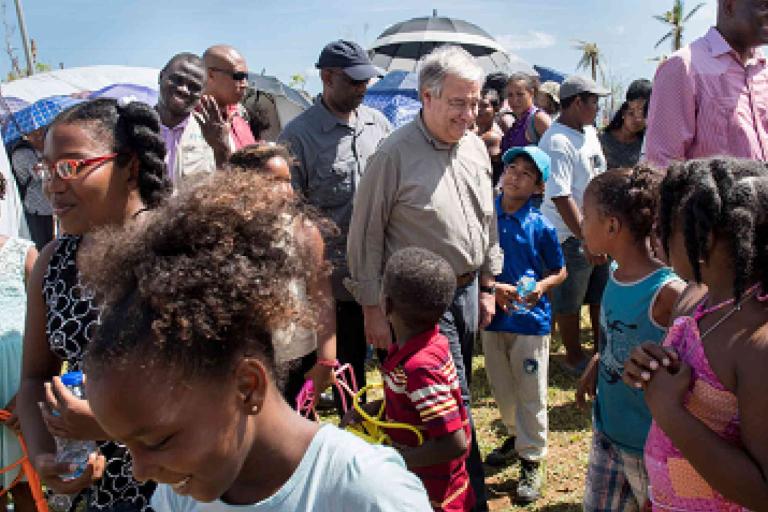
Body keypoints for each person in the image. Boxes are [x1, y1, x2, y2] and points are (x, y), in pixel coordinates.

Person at [77, 171, 432, 512]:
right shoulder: (181, 497)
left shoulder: (368, 493)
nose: (139, 472)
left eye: (157, 442)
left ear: (248, 386)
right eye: (128, 446)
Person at [347, 45, 502, 511]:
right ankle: (465, 495)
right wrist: (373, 308)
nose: (469, 114)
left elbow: (486, 218)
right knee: (453, 407)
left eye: (474, 102)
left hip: (469, 290)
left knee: (457, 394)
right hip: (416, 309)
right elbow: (366, 235)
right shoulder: (392, 154)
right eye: (459, 103)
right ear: (426, 97)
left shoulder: (474, 145)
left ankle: (444, 488)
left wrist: (489, 283)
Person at [17, 98, 171, 512]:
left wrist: (114, 424)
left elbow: (218, 389)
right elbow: (34, 379)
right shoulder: (53, 262)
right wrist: (44, 455)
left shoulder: (177, 252)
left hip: (180, 482)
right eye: (46, 170)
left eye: (70, 167)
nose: (52, 185)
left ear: (130, 166)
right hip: (98, 488)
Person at [624, 157, 768, 511]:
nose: (655, 235)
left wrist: (669, 411)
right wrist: (649, 366)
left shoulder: (756, 343)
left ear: (702, 238)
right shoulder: (694, 297)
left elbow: (763, 492)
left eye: (666, 226)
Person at [278, 40, 391, 410]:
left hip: (382, 273)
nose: (362, 88)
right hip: (334, 284)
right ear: (327, 77)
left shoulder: (378, 125)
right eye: (354, 81)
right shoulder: (298, 137)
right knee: (345, 371)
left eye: (366, 82)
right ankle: (350, 430)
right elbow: (289, 214)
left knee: (395, 367)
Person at [575, 167, 684, 512]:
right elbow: (616, 331)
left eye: (586, 215)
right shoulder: (613, 272)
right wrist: (599, 359)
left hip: (647, 445)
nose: (581, 222)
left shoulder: (666, 292)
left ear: (611, 226)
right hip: (608, 430)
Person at [343, 247, 474, 511]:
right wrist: (371, 410)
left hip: (435, 495)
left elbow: (454, 443)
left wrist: (392, 459)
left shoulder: (420, 368)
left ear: (386, 304)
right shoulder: (422, 345)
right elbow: (415, 403)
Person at [481, 146, 567, 504]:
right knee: (502, 388)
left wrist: (542, 289)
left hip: (529, 322)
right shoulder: (485, 216)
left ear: (538, 187)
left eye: (526, 173)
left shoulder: (540, 226)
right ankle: (518, 436)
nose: (514, 175)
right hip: (492, 316)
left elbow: (558, 270)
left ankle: (532, 457)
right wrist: (492, 288)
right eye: (511, 167)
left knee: (530, 390)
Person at [228, 144, 337, 409]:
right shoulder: (228, 235)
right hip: (247, 359)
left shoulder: (302, 232)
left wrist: (326, 359)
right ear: (245, 184)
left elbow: (321, 297)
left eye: (288, 181)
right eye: (274, 181)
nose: (286, 190)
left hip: (295, 356)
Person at [538, 75, 610, 374]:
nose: (597, 107)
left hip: (596, 231)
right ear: (577, 102)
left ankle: (602, 351)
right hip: (570, 235)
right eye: (594, 101)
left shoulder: (589, 131)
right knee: (569, 299)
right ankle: (573, 356)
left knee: (599, 295)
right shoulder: (557, 141)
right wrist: (586, 238)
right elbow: (560, 195)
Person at [645, 0, 768, 168]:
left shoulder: (764, 71)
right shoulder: (684, 67)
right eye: (764, 6)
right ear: (729, 6)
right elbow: (662, 166)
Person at [0, 172, 38, 512]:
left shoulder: (24, 255)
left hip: (17, 395)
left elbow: (50, 331)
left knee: (28, 487)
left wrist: (28, 396)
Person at [156, 53, 217, 188]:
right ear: (161, 77)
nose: (183, 90)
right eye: (177, 80)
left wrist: (221, 147)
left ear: (203, 93)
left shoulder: (212, 134)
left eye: (194, 87)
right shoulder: (135, 125)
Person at [198, 45, 256, 163]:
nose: (245, 84)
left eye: (246, 77)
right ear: (210, 75)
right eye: (238, 76)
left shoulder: (239, 120)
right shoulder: (187, 121)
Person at [8, 128, 54, 249]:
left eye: (42, 130)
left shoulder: (40, 148)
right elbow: (43, 175)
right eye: (36, 131)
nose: (40, 133)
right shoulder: (23, 152)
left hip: (49, 205)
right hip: (36, 208)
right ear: (26, 133)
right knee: (42, 246)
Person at [600, 79, 652, 170]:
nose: (638, 118)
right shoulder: (602, 140)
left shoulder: (646, 145)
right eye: (632, 112)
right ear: (623, 113)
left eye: (642, 111)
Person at [500, 73, 551, 155]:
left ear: (531, 93)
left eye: (520, 94)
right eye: (510, 95)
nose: (514, 100)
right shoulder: (517, 123)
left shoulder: (538, 119)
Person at [474, 88, 503, 185]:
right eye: (476, 105)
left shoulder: (492, 137)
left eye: (485, 106)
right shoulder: (476, 131)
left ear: (496, 109)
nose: (479, 110)